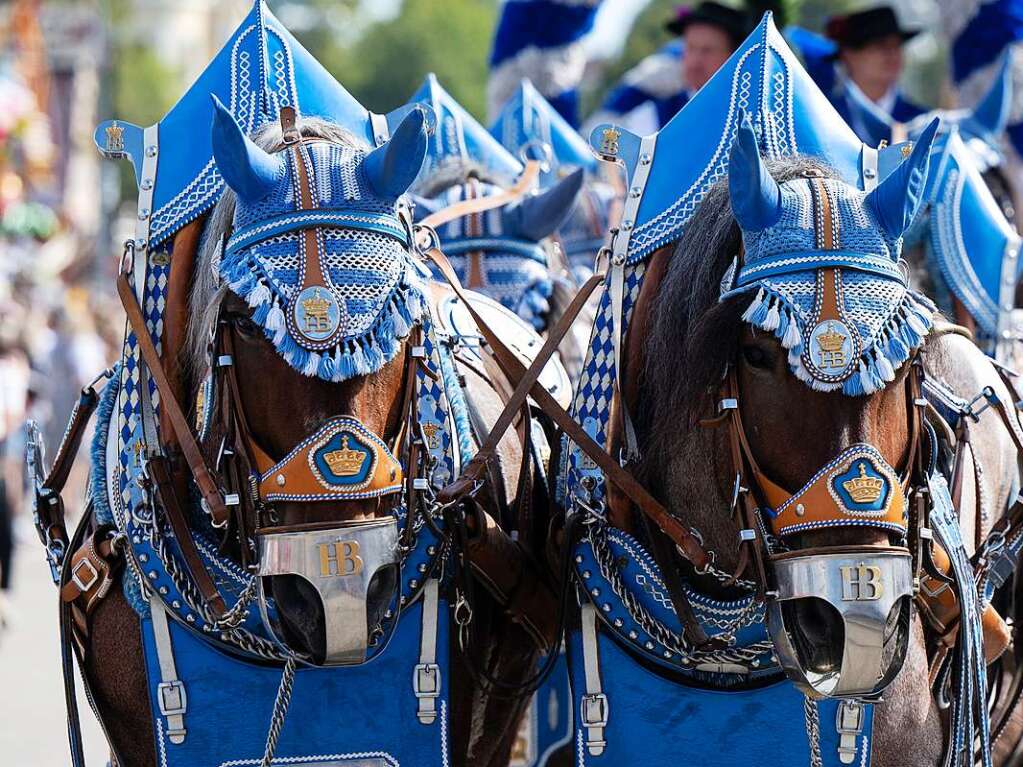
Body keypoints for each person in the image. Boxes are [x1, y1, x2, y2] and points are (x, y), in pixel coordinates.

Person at [597, 2, 751, 131]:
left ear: (732, 56)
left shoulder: (747, 116)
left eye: (707, 51)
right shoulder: (654, 115)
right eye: (690, 48)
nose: (695, 61)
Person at [825, 5, 927, 133]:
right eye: (880, 45)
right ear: (849, 54)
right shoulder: (825, 115)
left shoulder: (923, 123)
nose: (892, 53)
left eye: (897, 45)